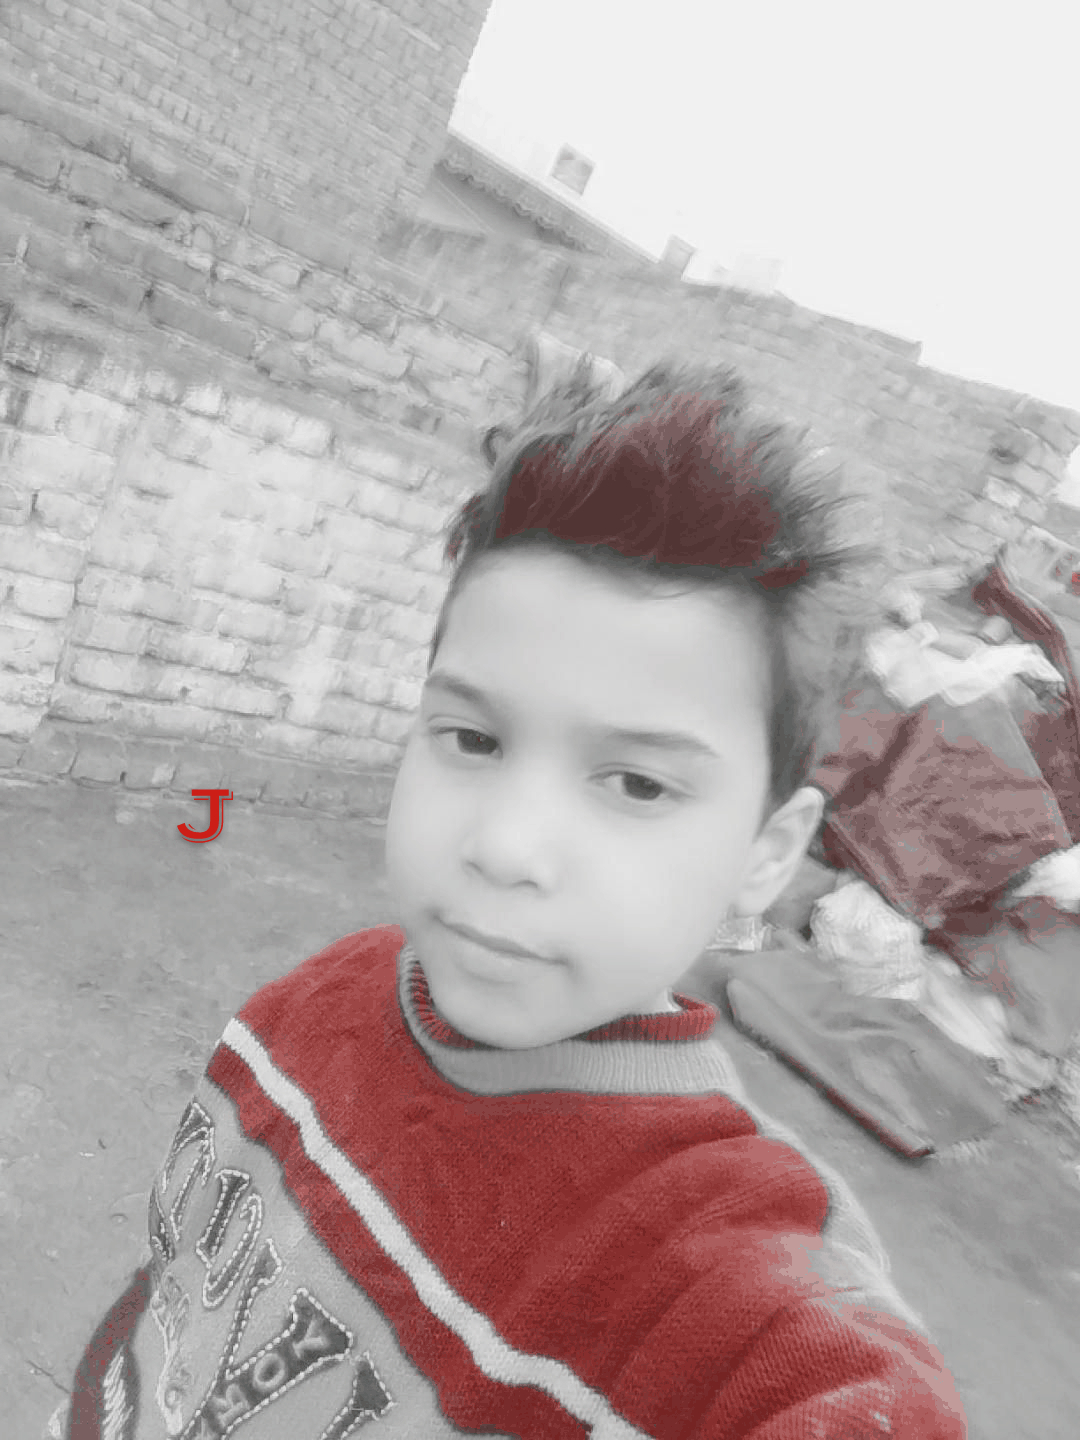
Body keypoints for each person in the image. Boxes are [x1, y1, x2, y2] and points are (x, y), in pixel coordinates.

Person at [61, 360, 967, 1439]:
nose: (502, 846)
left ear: (766, 855)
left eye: (637, 784)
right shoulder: (320, 997)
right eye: (474, 739)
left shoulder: (713, 1276)